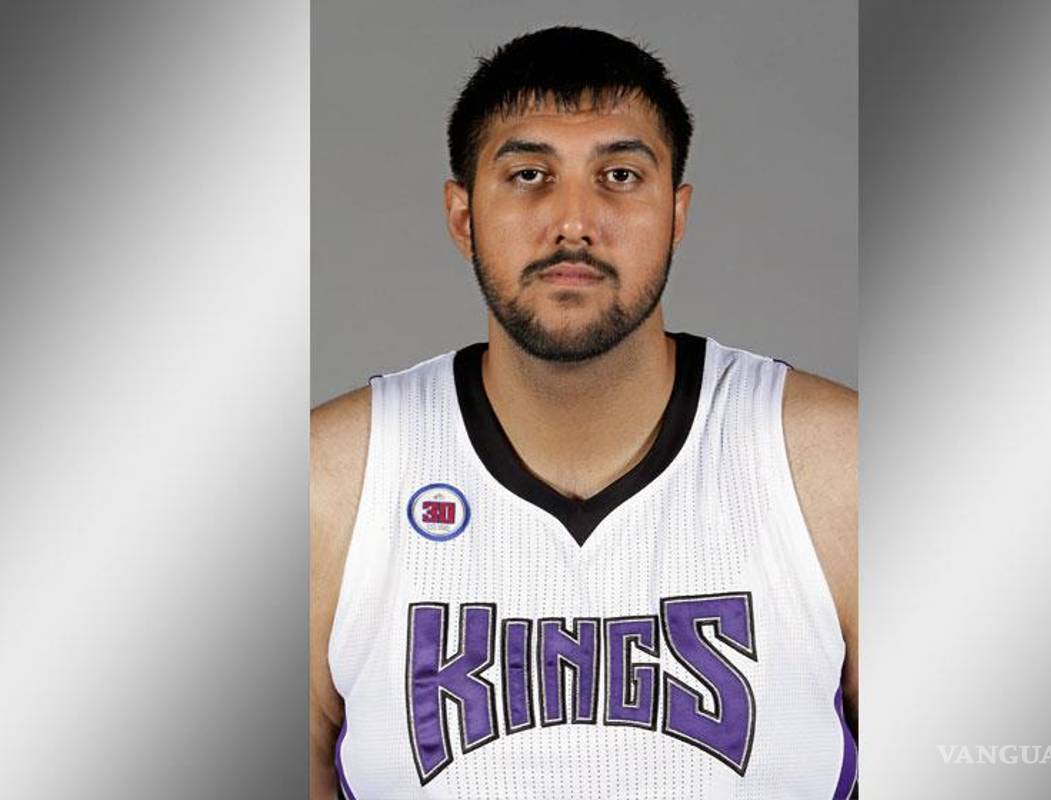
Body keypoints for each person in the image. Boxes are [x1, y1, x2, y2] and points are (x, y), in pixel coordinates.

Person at [311, 26, 857, 800]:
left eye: (620, 176)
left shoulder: (837, 465)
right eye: (530, 175)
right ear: (463, 216)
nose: (574, 222)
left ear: (676, 213)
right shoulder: (332, 483)